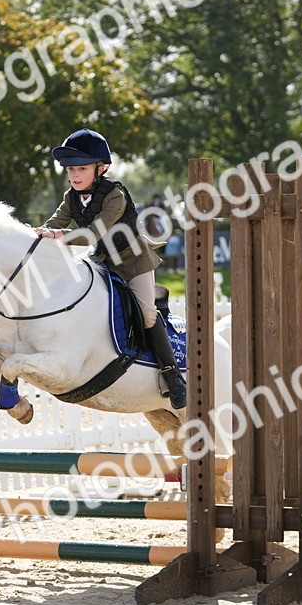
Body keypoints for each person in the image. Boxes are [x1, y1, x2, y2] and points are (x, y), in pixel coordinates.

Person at [35, 129, 187, 409]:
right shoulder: (71, 197)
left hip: (134, 261)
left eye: (81, 168)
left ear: (101, 168)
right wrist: (33, 234)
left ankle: (172, 374)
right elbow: (54, 223)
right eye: (70, 169)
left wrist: (58, 236)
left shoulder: (115, 194)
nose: (74, 175)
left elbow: (94, 232)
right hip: (104, 260)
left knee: (147, 313)